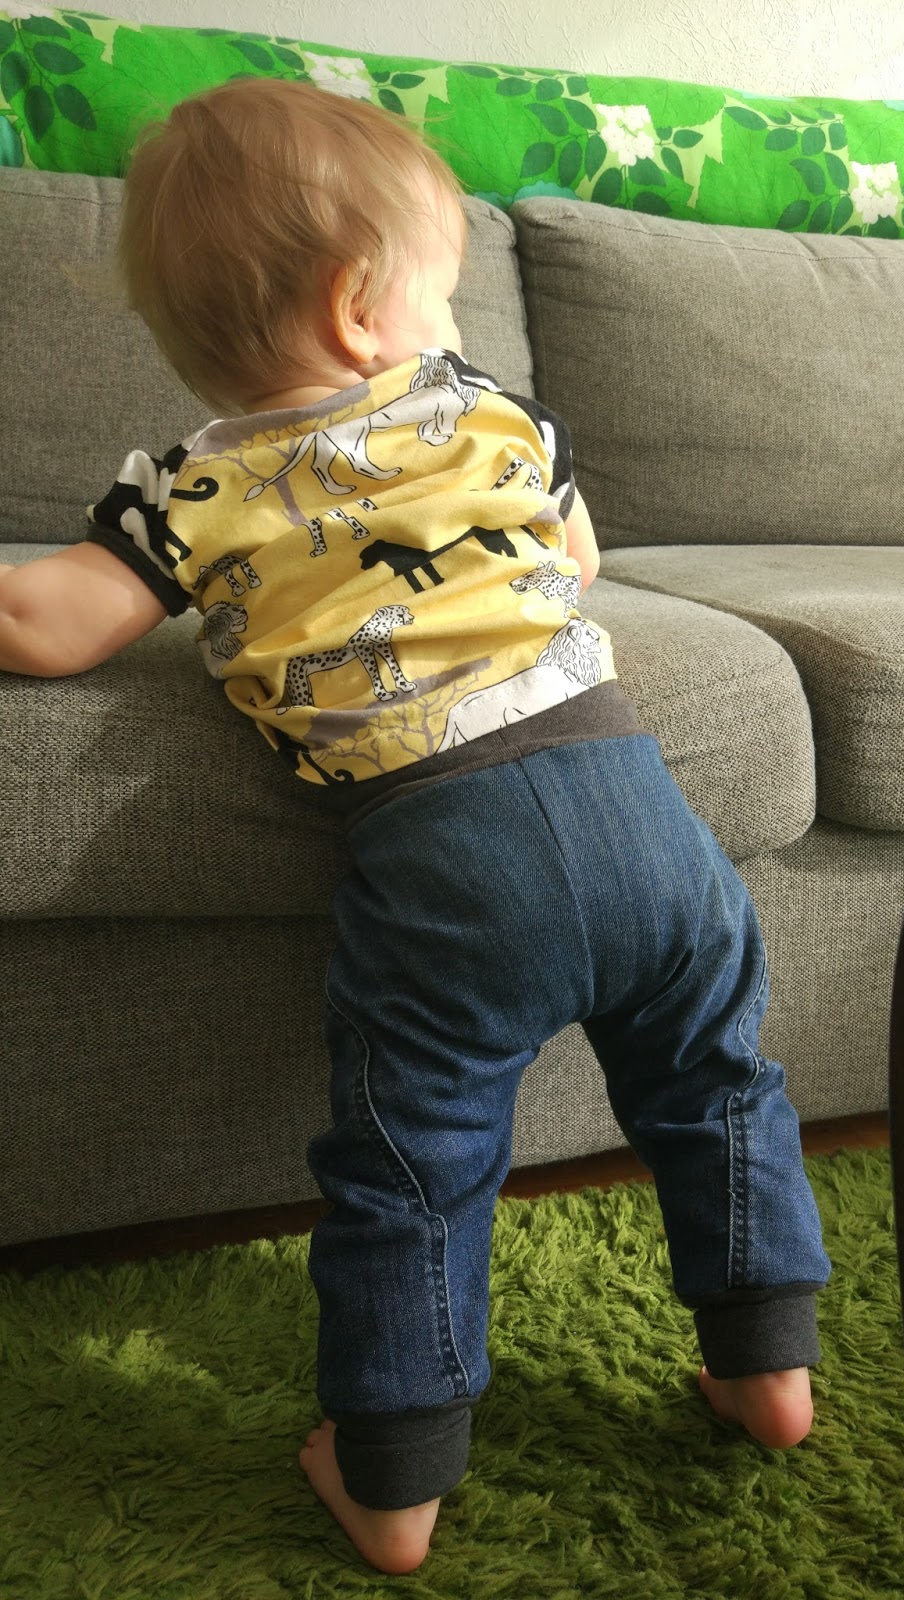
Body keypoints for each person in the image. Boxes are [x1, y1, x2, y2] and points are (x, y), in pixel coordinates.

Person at [0, 77, 831, 1575]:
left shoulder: (191, 487)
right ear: (361, 305)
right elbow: (576, 558)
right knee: (718, 1084)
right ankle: (769, 1366)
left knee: (414, 1162)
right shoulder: (490, 411)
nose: (452, 320)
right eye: (442, 291)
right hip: (647, 822)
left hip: (447, 865)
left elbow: (48, 625)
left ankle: (390, 1479)